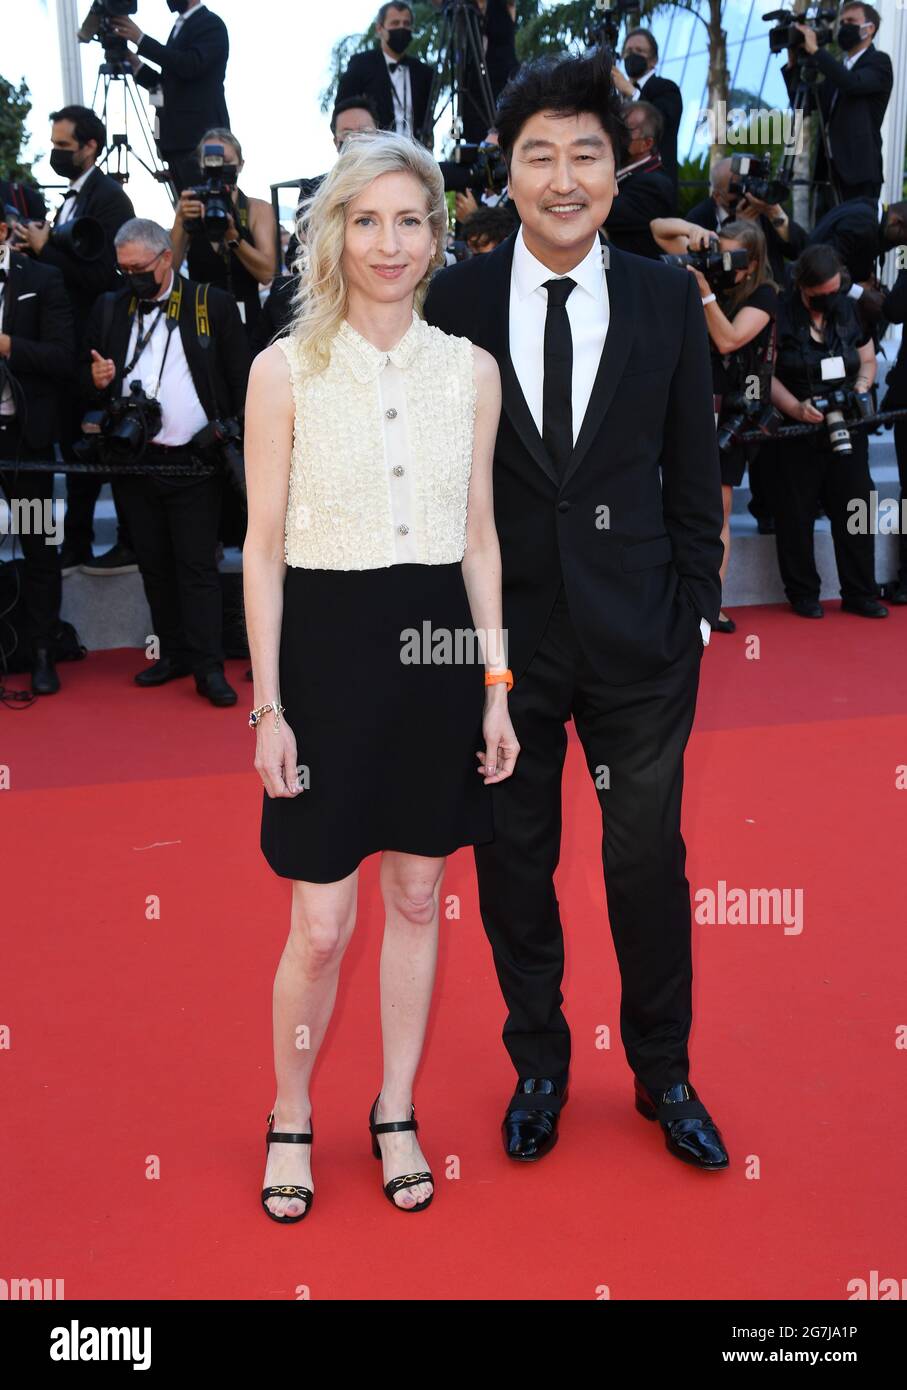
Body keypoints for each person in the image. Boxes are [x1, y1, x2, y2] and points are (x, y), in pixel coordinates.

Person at [425, 49, 730, 1170]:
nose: (563, 178)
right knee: (513, 859)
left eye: (585, 155)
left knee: (645, 860)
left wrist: (695, 607)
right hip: (501, 645)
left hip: (643, 638)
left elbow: (694, 471)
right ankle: (540, 1065)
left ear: (619, 167)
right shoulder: (453, 298)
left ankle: (664, 1071)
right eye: (537, 156)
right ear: (504, 174)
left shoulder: (660, 294)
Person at [243, 131, 515, 1221]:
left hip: (440, 650)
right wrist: (267, 706)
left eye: (409, 220)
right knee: (319, 922)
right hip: (326, 651)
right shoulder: (283, 370)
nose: (388, 243)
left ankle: (394, 1107)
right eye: (366, 220)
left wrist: (496, 683)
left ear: (437, 235)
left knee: (416, 891)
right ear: (334, 233)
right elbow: (261, 548)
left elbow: (481, 539)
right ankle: (290, 1111)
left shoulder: (471, 371)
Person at [84, 218, 251, 704]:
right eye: (123, 269)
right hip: (134, 461)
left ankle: (208, 667)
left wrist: (225, 430)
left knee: (196, 567)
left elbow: (242, 378)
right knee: (154, 566)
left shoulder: (209, 304)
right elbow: (83, 377)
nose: (131, 276)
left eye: (139, 268)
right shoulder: (111, 307)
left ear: (166, 258)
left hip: (194, 462)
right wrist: (96, 379)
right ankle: (173, 652)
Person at [11, 105, 136, 577]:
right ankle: (59, 548)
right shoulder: (70, 200)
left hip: (83, 348)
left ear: (90, 147)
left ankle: (83, 544)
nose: (55, 154)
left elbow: (104, 275)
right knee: (60, 454)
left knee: (91, 448)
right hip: (48, 363)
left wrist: (46, 252)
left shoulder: (107, 199)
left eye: (64, 147)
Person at [770, 243, 886, 619]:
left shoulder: (851, 310)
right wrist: (794, 407)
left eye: (834, 291)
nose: (828, 299)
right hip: (797, 428)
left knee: (856, 505)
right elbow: (763, 375)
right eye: (820, 295)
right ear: (802, 288)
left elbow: (867, 358)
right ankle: (803, 592)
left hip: (848, 422)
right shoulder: (780, 316)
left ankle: (860, 591)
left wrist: (863, 385)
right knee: (796, 511)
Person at [685, 220, 779, 634]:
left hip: (733, 411)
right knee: (679, 502)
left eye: (733, 255)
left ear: (754, 261)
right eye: (719, 250)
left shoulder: (764, 294)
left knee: (718, 508)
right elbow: (659, 228)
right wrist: (697, 236)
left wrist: (704, 292)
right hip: (690, 404)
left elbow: (728, 340)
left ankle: (712, 602)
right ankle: (679, 597)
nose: (723, 261)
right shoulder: (716, 280)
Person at [0, 215, 74, 695]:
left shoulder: (41, 278)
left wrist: (7, 345)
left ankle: (43, 651)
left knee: (38, 547)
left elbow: (62, 358)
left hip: (24, 440)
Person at [112, 1, 231, 196]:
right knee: (188, 213)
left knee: (206, 208)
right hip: (176, 143)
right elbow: (165, 87)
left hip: (200, 141)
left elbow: (189, 66)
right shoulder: (180, 26)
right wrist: (135, 63)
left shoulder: (211, 24)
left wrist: (141, 40)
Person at [169, 129, 278, 341]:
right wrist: (180, 220)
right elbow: (169, 268)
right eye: (211, 160)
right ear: (201, 165)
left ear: (241, 164)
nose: (218, 167)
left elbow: (266, 273)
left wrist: (233, 237)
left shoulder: (257, 209)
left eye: (225, 160)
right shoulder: (191, 206)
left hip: (247, 322)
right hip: (201, 320)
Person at [785, 4, 892, 208]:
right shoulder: (837, 69)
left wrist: (816, 51)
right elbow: (806, 106)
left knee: (853, 235)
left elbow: (852, 84)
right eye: (842, 23)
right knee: (823, 237)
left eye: (851, 22)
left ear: (869, 29)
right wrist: (793, 65)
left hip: (859, 173)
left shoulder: (879, 62)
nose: (844, 27)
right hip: (828, 173)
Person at [336, 3, 434, 146]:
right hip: (375, 154)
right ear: (379, 28)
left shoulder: (424, 72)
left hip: (415, 156)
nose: (401, 28)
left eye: (406, 24)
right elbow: (342, 108)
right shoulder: (361, 64)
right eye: (395, 23)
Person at [611, 27, 681, 191]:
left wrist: (631, 92)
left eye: (639, 51)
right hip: (618, 185)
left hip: (653, 186)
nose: (632, 55)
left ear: (653, 60)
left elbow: (661, 121)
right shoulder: (614, 96)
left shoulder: (666, 88)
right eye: (628, 51)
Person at [603, 100, 675, 257]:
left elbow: (602, 212)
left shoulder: (654, 184)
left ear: (647, 144)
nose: (616, 137)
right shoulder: (621, 170)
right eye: (615, 129)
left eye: (625, 132)